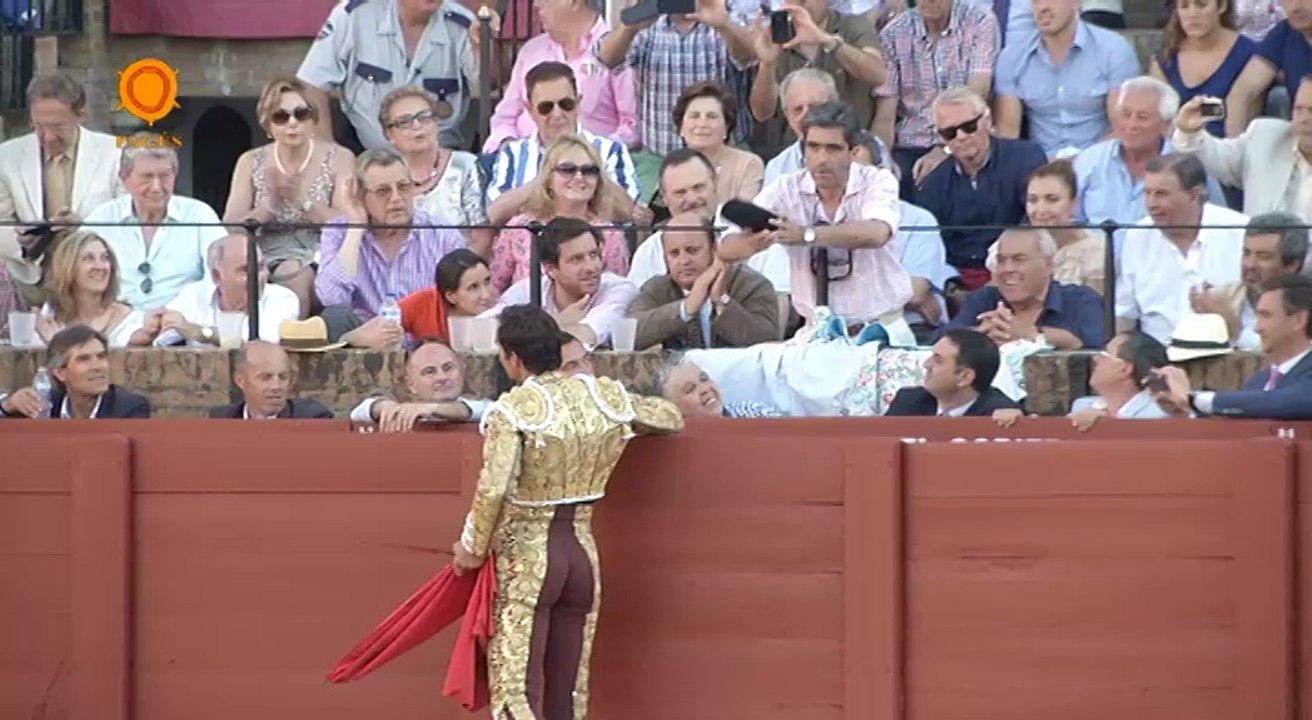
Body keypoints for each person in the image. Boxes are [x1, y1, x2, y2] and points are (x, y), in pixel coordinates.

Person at [448, 304, 684, 719]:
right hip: (582, 554)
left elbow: (494, 488)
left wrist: (471, 548)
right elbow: (670, 417)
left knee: (515, 691)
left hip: (529, 557)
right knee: (568, 690)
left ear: (512, 358)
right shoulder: (602, 396)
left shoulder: (513, 409)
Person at [223, 77, 355, 316]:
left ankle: (295, 335)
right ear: (268, 125)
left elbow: (347, 224)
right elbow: (232, 228)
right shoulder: (250, 161)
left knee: (298, 274)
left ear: (313, 119)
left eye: (301, 114)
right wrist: (269, 205)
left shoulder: (340, 157)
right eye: (281, 116)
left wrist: (304, 201)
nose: (292, 123)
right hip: (265, 250)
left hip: (324, 248)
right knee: (286, 271)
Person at [1152, 273, 1312, 419]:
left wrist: (1193, 399)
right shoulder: (1258, 381)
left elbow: (1284, 402)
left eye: (1266, 316)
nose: (1257, 328)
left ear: (1299, 320)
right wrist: (1185, 412)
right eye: (1257, 316)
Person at [488, 135, 631, 294]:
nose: (579, 177)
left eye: (589, 171)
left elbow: (616, 293)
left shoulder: (610, 234)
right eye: (567, 170)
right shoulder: (520, 227)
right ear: (548, 178)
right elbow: (494, 287)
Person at [380, 86, 491, 256]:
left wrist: (454, 271)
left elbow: (482, 237)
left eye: (424, 117)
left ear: (436, 123)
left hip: (462, 267)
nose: (417, 126)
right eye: (404, 122)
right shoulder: (384, 176)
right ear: (389, 134)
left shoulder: (464, 166)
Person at [0, 325, 151, 419]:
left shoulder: (129, 407)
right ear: (60, 373)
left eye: (101, 356)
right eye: (84, 359)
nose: (98, 366)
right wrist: (8, 406)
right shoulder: (46, 405)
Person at [35, 229, 155, 347]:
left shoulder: (130, 322)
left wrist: (57, 345)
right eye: (88, 258)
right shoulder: (50, 315)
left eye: (105, 258)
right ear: (67, 267)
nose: (100, 266)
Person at [884, 328, 1020, 416]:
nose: (926, 365)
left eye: (938, 360)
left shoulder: (998, 415)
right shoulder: (908, 401)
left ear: (964, 377)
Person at [673, 81, 763, 204]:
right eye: (694, 116)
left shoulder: (748, 164)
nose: (702, 124)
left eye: (712, 116)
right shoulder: (673, 166)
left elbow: (743, 213)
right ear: (681, 128)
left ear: (727, 126)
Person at [207, 341, 335, 419]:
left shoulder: (312, 418)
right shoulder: (221, 420)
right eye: (265, 377)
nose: (276, 386)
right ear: (240, 380)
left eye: (283, 377)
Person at [397, 248, 495, 343]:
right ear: (451, 296)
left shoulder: (500, 311)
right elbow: (390, 317)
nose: (486, 295)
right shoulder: (424, 303)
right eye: (473, 287)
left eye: (487, 282)